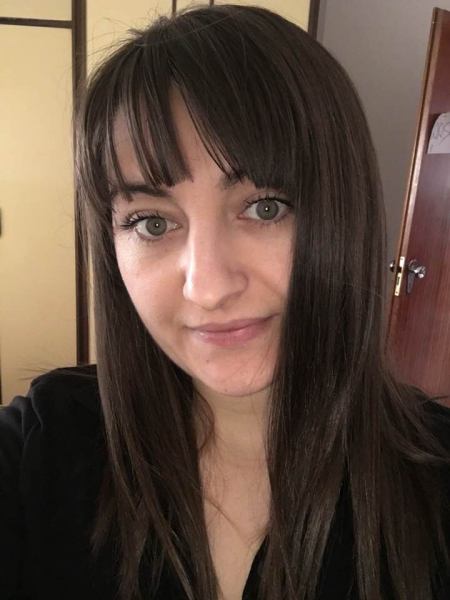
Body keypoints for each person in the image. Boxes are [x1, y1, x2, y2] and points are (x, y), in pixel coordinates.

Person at [1, 4, 450, 600]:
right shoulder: (40, 449)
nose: (208, 288)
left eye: (264, 208)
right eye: (152, 223)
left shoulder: (436, 481)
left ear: (345, 212)